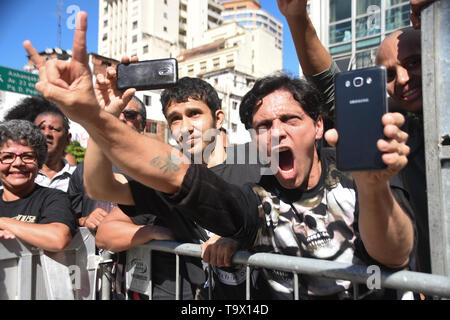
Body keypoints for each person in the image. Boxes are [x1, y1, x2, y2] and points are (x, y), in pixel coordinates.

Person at [27, 12, 414, 299]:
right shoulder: (254, 195)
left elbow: (394, 253)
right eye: (263, 126)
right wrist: (95, 117)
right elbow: (170, 175)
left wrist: (372, 185)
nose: (276, 132)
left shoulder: (357, 166)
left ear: (317, 125)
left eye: (289, 120)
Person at [276, 0, 433, 274]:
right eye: (390, 75)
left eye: (414, 62)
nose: (403, 79)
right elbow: (330, 87)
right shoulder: (392, 127)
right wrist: (296, 16)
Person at [88, 63, 261, 299]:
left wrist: (239, 236)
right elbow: (101, 198)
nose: (186, 127)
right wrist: (100, 120)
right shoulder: (165, 176)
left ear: (219, 118)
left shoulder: (255, 160)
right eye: (175, 119)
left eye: (194, 114)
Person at [0, 120, 76, 251]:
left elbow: (58, 239)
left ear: (39, 162)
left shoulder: (53, 198)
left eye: (28, 156)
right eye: (8, 157)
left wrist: (3, 223)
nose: (18, 163)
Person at [4, 96, 76, 192]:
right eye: (41, 128)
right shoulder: (14, 175)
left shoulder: (81, 178)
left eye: (54, 129)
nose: (47, 133)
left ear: (68, 139)